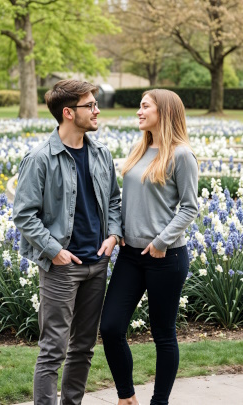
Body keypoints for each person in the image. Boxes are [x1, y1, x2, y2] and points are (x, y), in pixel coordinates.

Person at [13, 79, 122, 405]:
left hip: (97, 263)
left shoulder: (101, 153)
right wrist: (54, 251)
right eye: (90, 105)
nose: (97, 110)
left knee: (83, 348)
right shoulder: (41, 158)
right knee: (53, 350)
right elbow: (24, 214)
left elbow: (115, 201)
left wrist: (114, 236)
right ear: (68, 113)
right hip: (62, 268)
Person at [100, 89, 198, 405]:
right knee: (111, 327)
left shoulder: (181, 154)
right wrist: (118, 232)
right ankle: (127, 397)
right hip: (130, 255)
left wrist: (160, 242)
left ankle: (159, 402)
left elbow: (189, 207)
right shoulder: (138, 149)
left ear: (164, 112)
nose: (139, 111)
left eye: (145, 106)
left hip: (165, 257)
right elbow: (123, 199)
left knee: (163, 334)